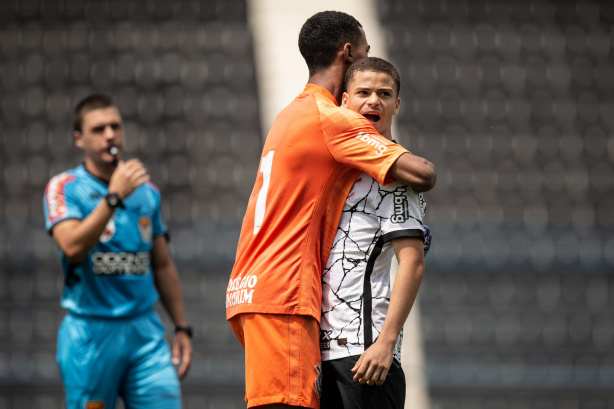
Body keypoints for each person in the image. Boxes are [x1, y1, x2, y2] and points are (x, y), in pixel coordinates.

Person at [226, 11, 436, 409]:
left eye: (384, 94)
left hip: (253, 290)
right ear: (347, 52)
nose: (366, 63)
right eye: (364, 53)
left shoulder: (289, 114)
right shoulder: (333, 120)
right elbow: (423, 173)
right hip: (283, 293)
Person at [43, 94, 192, 409]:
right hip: (90, 333)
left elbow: (162, 265)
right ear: (79, 139)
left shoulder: (147, 193)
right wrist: (113, 197)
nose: (110, 135)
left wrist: (180, 326)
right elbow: (71, 247)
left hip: (145, 333)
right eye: (99, 129)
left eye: (115, 126)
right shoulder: (64, 187)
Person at [320, 57, 426, 409]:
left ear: (397, 105)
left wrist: (385, 343)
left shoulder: (398, 178)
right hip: (321, 356)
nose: (373, 101)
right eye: (363, 92)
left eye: (384, 93)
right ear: (344, 102)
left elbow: (412, 263)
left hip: (366, 357)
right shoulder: (336, 167)